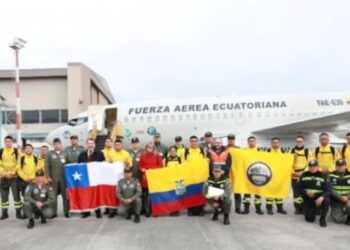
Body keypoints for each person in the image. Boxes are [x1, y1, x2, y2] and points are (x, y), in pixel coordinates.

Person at [78, 138, 105, 218]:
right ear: (86, 145)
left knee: (96, 195)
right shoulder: (82, 154)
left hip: (96, 178)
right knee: (86, 195)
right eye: (88, 143)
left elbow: (103, 165)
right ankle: (86, 212)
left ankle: (98, 212)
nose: (90, 145)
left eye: (92, 143)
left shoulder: (100, 154)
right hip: (85, 178)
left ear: (94, 145)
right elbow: (79, 166)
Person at [298, 160, 330, 227]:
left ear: (318, 167)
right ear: (308, 167)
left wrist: (321, 197)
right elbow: (299, 187)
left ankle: (322, 218)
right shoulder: (304, 175)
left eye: (314, 166)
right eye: (311, 166)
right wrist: (306, 192)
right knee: (310, 219)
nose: (312, 168)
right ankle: (314, 209)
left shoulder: (323, 175)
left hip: (319, 198)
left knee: (326, 200)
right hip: (308, 198)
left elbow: (327, 190)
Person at [44, 138, 69, 218]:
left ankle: (66, 212)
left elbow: (69, 164)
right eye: (55, 144)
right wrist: (48, 177)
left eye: (58, 144)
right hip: (53, 179)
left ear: (60, 144)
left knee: (65, 196)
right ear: (53, 145)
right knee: (53, 197)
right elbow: (46, 166)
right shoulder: (49, 154)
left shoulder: (65, 153)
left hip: (63, 179)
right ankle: (54, 212)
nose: (57, 145)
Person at [0, 135, 22, 219]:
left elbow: (19, 163)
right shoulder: (1, 151)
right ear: (4, 142)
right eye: (6, 141)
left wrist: (12, 173)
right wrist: (4, 173)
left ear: (12, 142)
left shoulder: (16, 151)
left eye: (9, 141)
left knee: (16, 195)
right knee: (4, 196)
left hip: (14, 178)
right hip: (3, 177)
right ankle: (4, 213)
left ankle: (18, 213)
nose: (8, 143)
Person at [138, 142, 163, 217]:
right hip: (145, 179)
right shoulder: (142, 156)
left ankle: (155, 210)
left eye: (151, 147)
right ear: (146, 147)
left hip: (154, 178)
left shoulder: (157, 156)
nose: (150, 148)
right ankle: (146, 210)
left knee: (154, 195)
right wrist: (142, 169)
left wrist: (151, 170)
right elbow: (139, 166)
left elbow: (161, 166)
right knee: (145, 196)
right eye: (148, 147)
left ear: (153, 148)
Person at [289, 136, 313, 214]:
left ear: (303, 142)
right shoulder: (291, 151)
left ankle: (303, 208)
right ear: (295, 142)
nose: (299, 143)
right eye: (297, 141)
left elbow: (310, 163)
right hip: (294, 175)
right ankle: (297, 208)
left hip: (304, 176)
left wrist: (303, 173)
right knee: (296, 194)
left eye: (301, 141)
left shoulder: (307, 151)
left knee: (304, 192)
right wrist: (294, 172)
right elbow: (288, 164)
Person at [242, 136, 264, 215]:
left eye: (253, 141)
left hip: (257, 174)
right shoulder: (244, 150)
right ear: (248, 142)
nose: (251, 142)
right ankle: (246, 209)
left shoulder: (260, 151)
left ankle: (258, 209)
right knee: (246, 193)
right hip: (247, 174)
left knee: (258, 193)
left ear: (255, 142)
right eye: (250, 141)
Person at [185, 135, 206, 216]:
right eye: (192, 141)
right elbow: (183, 164)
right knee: (190, 193)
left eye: (195, 141)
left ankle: (201, 210)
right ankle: (190, 210)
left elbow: (205, 162)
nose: (193, 142)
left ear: (197, 142)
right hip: (190, 177)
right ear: (190, 142)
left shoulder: (202, 150)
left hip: (200, 177)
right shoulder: (186, 151)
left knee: (200, 193)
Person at [266, 137, 287, 215]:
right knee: (269, 193)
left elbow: (286, 163)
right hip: (270, 175)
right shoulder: (267, 151)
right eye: (274, 142)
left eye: (277, 142)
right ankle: (269, 209)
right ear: (271, 143)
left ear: (279, 143)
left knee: (279, 192)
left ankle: (280, 208)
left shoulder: (283, 152)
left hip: (280, 176)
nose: (275, 144)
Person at [226, 134, 244, 214]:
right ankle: (225, 207)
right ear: (228, 140)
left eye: (232, 139)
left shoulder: (239, 149)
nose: (231, 141)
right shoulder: (225, 148)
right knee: (226, 191)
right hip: (227, 172)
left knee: (237, 191)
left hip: (236, 172)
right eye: (229, 139)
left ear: (234, 140)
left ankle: (238, 207)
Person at [329, 159, 350, 225]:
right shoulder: (331, 175)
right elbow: (330, 188)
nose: (340, 167)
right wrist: (340, 197)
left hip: (348, 199)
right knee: (339, 220)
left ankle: (348, 215)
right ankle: (339, 211)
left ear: (345, 166)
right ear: (335, 166)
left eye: (342, 165)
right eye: (338, 165)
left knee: (349, 206)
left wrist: (347, 197)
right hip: (336, 201)